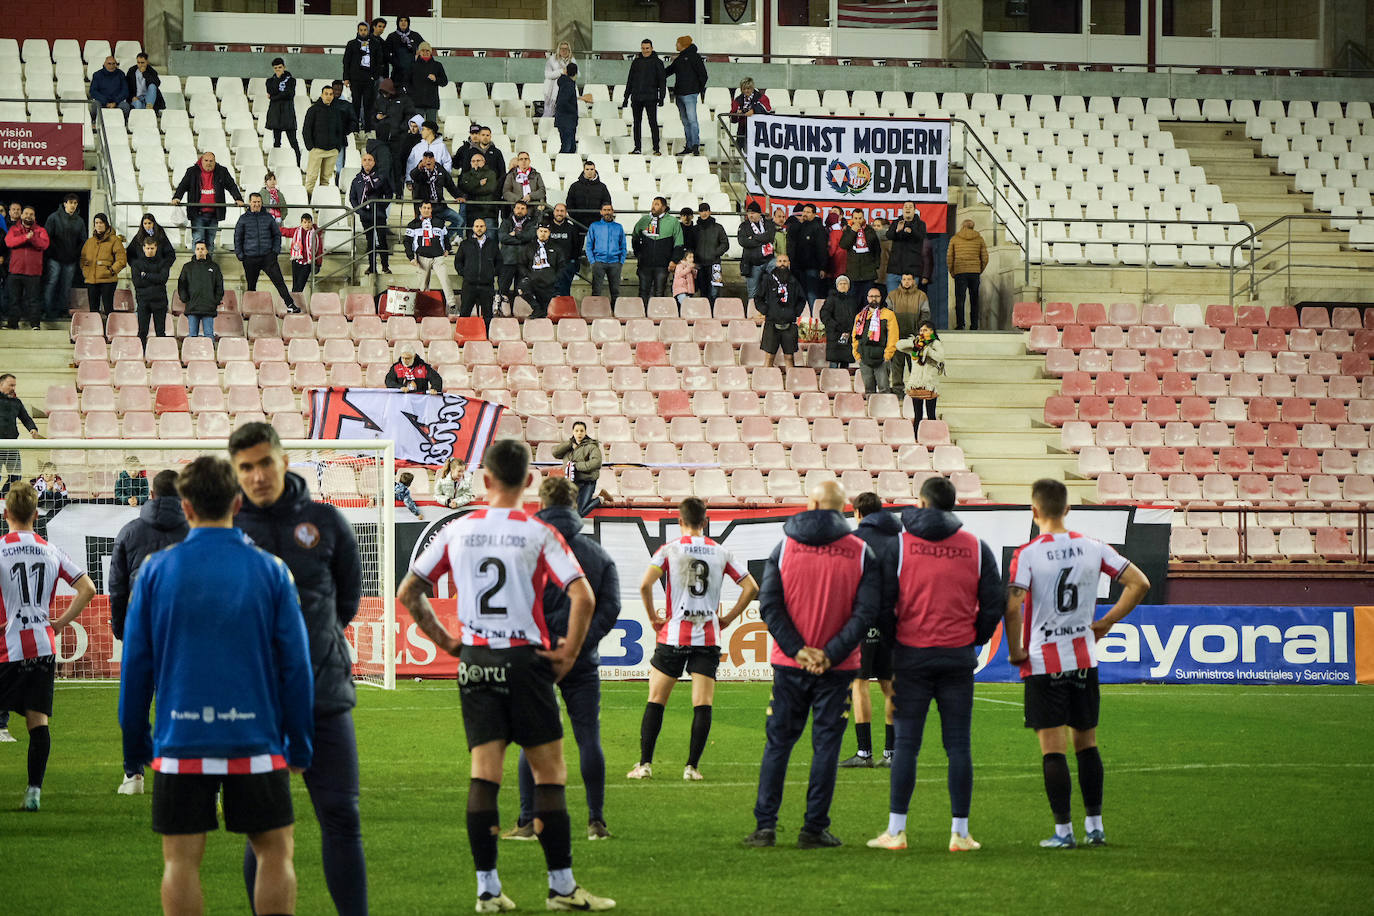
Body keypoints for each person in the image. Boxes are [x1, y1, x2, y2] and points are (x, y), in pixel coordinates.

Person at [397, 438, 614, 913]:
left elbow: (410, 591)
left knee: (484, 775)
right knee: (550, 772)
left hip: (476, 660)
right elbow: (584, 597)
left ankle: (488, 890)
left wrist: (449, 642)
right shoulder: (539, 533)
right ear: (530, 481)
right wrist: (569, 652)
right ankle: (561, 887)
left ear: (487, 480)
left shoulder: (457, 530)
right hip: (524, 660)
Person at [119, 457, 313, 916]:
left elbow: (136, 668)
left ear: (185, 507)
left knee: (180, 861)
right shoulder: (272, 571)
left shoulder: (153, 572)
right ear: (237, 502)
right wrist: (301, 743)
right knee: (274, 852)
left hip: (181, 737)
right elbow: (297, 668)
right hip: (256, 739)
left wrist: (136, 741)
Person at [230, 421, 370, 915]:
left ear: (284, 461)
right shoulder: (227, 530)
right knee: (262, 831)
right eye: (245, 467)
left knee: (341, 816)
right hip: (254, 702)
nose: (257, 475)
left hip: (323, 693)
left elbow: (347, 599)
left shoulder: (327, 521)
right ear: (235, 472)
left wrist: (314, 643)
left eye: (265, 462)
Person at [1004, 478, 1151, 849]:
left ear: (1034, 511)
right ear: (1067, 509)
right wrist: (1106, 621)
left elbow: (1012, 603)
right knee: (1087, 744)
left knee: (1053, 748)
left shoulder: (1028, 554)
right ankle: (1096, 827)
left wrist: (1016, 650)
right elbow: (1139, 583)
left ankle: (1063, 832)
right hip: (1084, 657)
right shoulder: (1093, 547)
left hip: (1043, 661)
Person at [865, 475, 1007, 853]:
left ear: (922, 503)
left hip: (911, 657)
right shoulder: (976, 548)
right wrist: (975, 636)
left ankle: (896, 831)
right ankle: (960, 833)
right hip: (958, 658)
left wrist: (896, 640)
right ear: (952, 505)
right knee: (958, 746)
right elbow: (994, 601)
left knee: (907, 745)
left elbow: (883, 603)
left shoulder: (900, 546)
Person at [745, 480, 881, 849]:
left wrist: (798, 650)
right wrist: (830, 653)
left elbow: (770, 605)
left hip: (789, 665)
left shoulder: (784, 547)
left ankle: (765, 827)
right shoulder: (861, 551)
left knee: (778, 745)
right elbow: (866, 611)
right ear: (842, 508)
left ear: (812, 502)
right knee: (827, 747)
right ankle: (814, 828)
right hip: (837, 669)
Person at [507, 476, 621, 841]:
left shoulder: (525, 551)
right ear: (575, 506)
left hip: (537, 655)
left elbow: (512, 603)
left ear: (540, 504)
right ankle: (596, 821)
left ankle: (528, 821)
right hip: (582, 659)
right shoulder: (598, 555)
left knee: (533, 738)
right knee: (589, 737)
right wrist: (579, 644)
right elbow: (610, 608)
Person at [628, 497, 759, 782]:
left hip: (674, 633)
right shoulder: (721, 552)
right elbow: (751, 587)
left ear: (680, 521)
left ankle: (645, 765)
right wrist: (730, 618)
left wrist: (652, 616)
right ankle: (691, 768)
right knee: (702, 704)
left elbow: (644, 584)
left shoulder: (670, 549)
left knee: (656, 700)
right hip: (708, 635)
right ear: (706, 521)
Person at [0, 482, 97, 811]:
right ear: (36, 514)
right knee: (37, 722)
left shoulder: (0, 548)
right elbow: (87, 587)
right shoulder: (51, 549)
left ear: (6, 513)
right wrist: (59, 623)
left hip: (8, 646)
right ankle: (33, 792)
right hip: (42, 644)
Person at [108, 467, 188, 795]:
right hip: (182, 633)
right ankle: (179, 769)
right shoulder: (194, 532)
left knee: (134, 703)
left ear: (151, 494)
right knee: (180, 702)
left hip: (141, 628)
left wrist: (120, 628)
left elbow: (117, 588)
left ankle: (134, 774)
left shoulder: (129, 532)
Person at [838, 491, 899, 769]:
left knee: (859, 683)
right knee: (891, 685)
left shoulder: (853, 541)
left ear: (858, 513)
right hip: (894, 619)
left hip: (863, 618)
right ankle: (893, 753)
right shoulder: (899, 539)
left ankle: (865, 753)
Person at [235, 193, 299, 313]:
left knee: (279, 282)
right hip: (250, 258)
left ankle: (290, 305)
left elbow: (277, 235)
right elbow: (237, 238)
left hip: (268, 258)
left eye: (259, 202)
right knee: (251, 286)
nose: (257, 204)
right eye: (254, 202)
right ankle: (249, 310)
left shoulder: (269, 217)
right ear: (250, 203)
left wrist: (275, 252)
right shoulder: (243, 219)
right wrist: (241, 255)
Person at [171, 151, 245, 251]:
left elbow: (231, 185)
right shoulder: (192, 171)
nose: (208, 163)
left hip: (215, 213)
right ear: (201, 161)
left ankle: (209, 265)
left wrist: (238, 198)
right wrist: (177, 197)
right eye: (206, 160)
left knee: (210, 241)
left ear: (215, 161)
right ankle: (197, 265)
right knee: (198, 240)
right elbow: (183, 185)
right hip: (197, 213)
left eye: (211, 161)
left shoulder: (222, 171)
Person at [895, 321, 945, 440]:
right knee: (918, 415)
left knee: (931, 414)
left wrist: (928, 350)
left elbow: (940, 357)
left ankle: (933, 438)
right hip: (916, 384)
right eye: (921, 330)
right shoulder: (916, 345)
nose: (923, 332)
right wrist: (915, 342)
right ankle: (917, 437)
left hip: (929, 385)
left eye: (926, 330)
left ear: (932, 331)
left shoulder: (935, 343)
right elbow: (899, 345)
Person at [886, 273, 932, 398]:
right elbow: (888, 315)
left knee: (915, 365)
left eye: (909, 279)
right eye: (904, 279)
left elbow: (926, 314)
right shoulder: (892, 295)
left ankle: (915, 389)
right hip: (897, 337)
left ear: (913, 281)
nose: (907, 282)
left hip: (914, 338)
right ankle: (897, 390)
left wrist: (920, 333)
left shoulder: (921, 296)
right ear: (901, 281)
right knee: (897, 365)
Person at [41, 194, 84, 323]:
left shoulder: (79, 221)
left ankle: (63, 310)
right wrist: (56, 253)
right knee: (52, 283)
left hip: (70, 259)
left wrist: (75, 254)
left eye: (75, 203)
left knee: (66, 285)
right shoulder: (54, 218)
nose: (73, 205)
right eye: (71, 202)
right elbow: (47, 238)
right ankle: (47, 310)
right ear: (64, 204)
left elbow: (82, 240)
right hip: (55, 258)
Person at [5, 205, 49, 329]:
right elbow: (9, 242)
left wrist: (32, 238)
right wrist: (25, 237)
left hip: (33, 272)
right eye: (26, 214)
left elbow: (44, 245)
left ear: (34, 217)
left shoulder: (41, 231)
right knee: (14, 300)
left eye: (31, 214)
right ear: (22, 215)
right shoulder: (14, 229)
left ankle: (35, 324)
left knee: (34, 300)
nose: (28, 216)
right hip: (16, 271)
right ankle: (12, 324)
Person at [405, 200, 455, 311]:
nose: (426, 210)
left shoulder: (439, 222)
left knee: (445, 280)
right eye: (424, 208)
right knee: (423, 285)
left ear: (431, 209)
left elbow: (446, 237)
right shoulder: (413, 224)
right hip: (422, 257)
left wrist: (447, 248)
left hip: (438, 257)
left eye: (429, 208)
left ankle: (452, 305)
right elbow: (407, 242)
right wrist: (411, 257)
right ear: (420, 209)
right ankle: (424, 308)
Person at [349, 151, 394, 275]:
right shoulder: (357, 179)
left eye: (370, 160)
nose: (367, 162)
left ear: (374, 162)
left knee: (382, 239)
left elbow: (389, 194)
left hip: (379, 214)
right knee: (370, 241)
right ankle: (372, 267)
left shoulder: (381, 177)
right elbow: (352, 197)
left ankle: (385, 266)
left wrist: (381, 206)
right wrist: (359, 210)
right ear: (362, 163)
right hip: (365, 215)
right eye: (365, 160)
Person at [632, 196, 682, 302]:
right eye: (653, 204)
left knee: (659, 293)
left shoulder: (673, 222)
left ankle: (657, 317)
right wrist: (639, 255)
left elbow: (679, 243)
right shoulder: (644, 220)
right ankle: (642, 316)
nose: (653, 206)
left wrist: (674, 260)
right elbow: (635, 238)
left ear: (664, 207)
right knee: (643, 292)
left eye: (657, 204)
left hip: (663, 265)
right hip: (645, 265)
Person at [758, 254, 804, 370]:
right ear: (776, 263)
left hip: (789, 323)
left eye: (785, 261)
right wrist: (766, 311)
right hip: (772, 323)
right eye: (780, 261)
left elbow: (801, 299)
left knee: (789, 357)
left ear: (789, 263)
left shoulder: (794, 280)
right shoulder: (768, 279)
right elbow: (758, 298)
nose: (782, 263)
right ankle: (765, 381)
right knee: (769, 357)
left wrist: (795, 313)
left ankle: (791, 383)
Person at [551, 420, 605, 517]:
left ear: (585, 432)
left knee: (579, 512)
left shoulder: (592, 446)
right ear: (573, 432)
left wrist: (576, 466)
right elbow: (555, 453)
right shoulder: (568, 447)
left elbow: (596, 463)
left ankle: (601, 498)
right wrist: (569, 443)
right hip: (573, 483)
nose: (579, 433)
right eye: (576, 431)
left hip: (587, 482)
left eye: (581, 431)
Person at [373, 78, 418, 193]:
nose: (384, 94)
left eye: (386, 92)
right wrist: (376, 119)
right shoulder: (380, 100)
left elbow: (411, 115)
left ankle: (399, 193)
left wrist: (401, 128)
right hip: (382, 139)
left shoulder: (404, 100)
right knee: (383, 167)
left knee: (397, 167)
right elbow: (372, 115)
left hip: (399, 140)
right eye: (382, 92)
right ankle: (384, 192)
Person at [0, 373, 43, 493]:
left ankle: (3, 497)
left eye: (14, 385)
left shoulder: (16, 402)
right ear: (1, 384)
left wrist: (33, 429)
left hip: (11, 446)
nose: (13, 388)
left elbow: (26, 418)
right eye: (10, 385)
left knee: (16, 478)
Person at [665, 36, 708, 156]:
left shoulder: (693, 57)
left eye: (677, 43)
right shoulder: (681, 58)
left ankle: (694, 145)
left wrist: (696, 90)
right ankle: (690, 145)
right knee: (687, 121)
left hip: (688, 94)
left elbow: (703, 76)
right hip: (681, 94)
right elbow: (668, 71)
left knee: (691, 120)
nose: (676, 45)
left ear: (683, 44)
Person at [852, 287, 899, 395]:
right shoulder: (860, 316)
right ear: (867, 298)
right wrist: (857, 355)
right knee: (869, 391)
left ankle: (885, 411)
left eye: (876, 296)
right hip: (864, 359)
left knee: (884, 390)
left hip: (881, 359)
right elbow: (855, 337)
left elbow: (893, 337)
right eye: (871, 296)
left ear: (881, 298)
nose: (874, 299)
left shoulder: (889, 314)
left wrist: (887, 356)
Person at [623, 39, 666, 155]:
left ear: (652, 48)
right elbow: (630, 80)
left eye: (647, 48)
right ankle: (637, 147)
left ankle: (656, 148)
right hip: (636, 97)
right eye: (643, 48)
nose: (645, 51)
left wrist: (662, 97)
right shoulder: (636, 62)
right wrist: (626, 97)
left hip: (651, 98)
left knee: (653, 122)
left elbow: (662, 81)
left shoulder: (658, 62)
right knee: (636, 123)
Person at [455, 216, 500, 328]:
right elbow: (458, 262)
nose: (479, 228)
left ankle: (487, 337)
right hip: (469, 285)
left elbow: (499, 262)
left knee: (488, 316)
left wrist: (492, 273)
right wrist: (465, 273)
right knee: (464, 313)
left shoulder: (492, 244)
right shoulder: (465, 244)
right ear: (473, 228)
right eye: (477, 226)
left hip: (487, 285)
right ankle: (463, 336)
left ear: (485, 228)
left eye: (481, 226)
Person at [78, 213, 124, 318]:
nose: (98, 225)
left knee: (108, 309)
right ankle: (95, 331)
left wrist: (111, 271)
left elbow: (121, 260)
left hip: (108, 280)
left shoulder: (115, 240)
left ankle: (110, 331)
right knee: (93, 310)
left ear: (106, 224)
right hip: (91, 280)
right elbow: (83, 259)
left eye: (101, 223)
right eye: (96, 223)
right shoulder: (89, 242)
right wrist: (86, 271)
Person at [129, 236, 172, 346]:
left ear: (156, 248)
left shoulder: (163, 263)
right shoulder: (136, 264)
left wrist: (146, 275)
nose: (150, 251)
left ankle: (160, 355)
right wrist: (154, 280)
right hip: (143, 302)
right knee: (142, 332)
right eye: (147, 248)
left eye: (152, 248)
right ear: (143, 248)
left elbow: (162, 279)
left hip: (160, 302)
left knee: (160, 332)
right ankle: (141, 354)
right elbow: (137, 283)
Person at [409, 153, 463, 241]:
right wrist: (419, 168)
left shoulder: (440, 169)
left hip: (440, 206)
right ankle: (437, 244)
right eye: (426, 158)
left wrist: (459, 196)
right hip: (426, 209)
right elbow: (413, 175)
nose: (428, 160)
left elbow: (450, 184)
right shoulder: (419, 170)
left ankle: (444, 240)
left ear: (434, 159)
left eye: (430, 158)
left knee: (459, 220)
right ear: (423, 160)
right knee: (430, 230)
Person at [947, 218, 989, 331]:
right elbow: (985, 257)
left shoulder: (955, 238)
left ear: (962, 226)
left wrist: (952, 271)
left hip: (960, 272)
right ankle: (974, 325)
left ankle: (960, 324)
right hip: (974, 272)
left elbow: (950, 257)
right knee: (974, 299)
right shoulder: (979, 239)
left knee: (960, 300)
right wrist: (979, 269)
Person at [176, 241, 224, 339]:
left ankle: (210, 354)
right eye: (198, 249)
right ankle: (192, 354)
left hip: (209, 307)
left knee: (209, 335)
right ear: (195, 251)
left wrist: (215, 300)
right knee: (192, 335)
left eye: (202, 249)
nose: (200, 251)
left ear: (207, 251)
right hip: (192, 306)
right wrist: (185, 299)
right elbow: (182, 284)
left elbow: (219, 285)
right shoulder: (187, 267)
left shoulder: (214, 267)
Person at [303, 84, 345, 194]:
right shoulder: (313, 110)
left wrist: (337, 147)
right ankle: (308, 202)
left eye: (331, 94)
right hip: (317, 150)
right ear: (321, 95)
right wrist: (311, 147)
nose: (328, 96)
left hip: (332, 151)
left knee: (326, 180)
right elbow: (306, 129)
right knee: (311, 178)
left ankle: (321, 202)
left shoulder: (336, 111)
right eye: (326, 94)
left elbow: (340, 130)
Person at [563, 160, 611, 257]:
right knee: (575, 249)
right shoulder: (575, 186)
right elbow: (569, 203)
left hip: (596, 222)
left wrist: (600, 218)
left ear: (595, 170)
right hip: (578, 222)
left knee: (597, 250)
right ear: (584, 170)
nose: (589, 171)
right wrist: (575, 217)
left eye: (592, 169)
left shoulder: (602, 187)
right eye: (587, 169)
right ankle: (575, 266)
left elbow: (607, 203)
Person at [343, 21, 385, 128]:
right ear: (357, 31)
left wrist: (374, 76)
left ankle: (368, 128)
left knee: (368, 104)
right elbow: (346, 61)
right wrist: (346, 78)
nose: (363, 32)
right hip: (355, 79)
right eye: (360, 30)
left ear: (368, 30)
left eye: (365, 30)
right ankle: (355, 128)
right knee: (356, 104)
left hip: (368, 79)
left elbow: (379, 61)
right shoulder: (351, 44)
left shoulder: (375, 43)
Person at [498, 200, 539, 309]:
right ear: (514, 209)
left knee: (521, 290)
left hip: (523, 262)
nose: (519, 211)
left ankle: (517, 312)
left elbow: (529, 236)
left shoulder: (531, 223)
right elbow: (502, 238)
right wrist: (521, 240)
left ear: (526, 211)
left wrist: (515, 234)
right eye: (518, 208)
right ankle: (501, 311)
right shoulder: (506, 222)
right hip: (507, 260)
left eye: (522, 208)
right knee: (503, 289)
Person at [520, 223, 564, 320]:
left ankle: (540, 318)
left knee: (544, 313)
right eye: (541, 231)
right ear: (537, 232)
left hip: (549, 282)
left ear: (549, 233)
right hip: (533, 279)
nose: (543, 234)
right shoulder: (529, 247)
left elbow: (562, 265)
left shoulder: (556, 248)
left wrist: (555, 278)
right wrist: (528, 275)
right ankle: (536, 308)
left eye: (545, 231)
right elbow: (521, 264)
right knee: (521, 288)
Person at [585, 204, 626, 302]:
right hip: (598, 262)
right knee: (596, 291)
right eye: (605, 210)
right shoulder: (594, 226)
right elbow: (589, 245)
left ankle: (615, 313)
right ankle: (595, 313)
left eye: (609, 210)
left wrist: (621, 261)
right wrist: (592, 261)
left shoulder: (618, 227)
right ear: (601, 212)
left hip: (615, 263)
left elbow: (623, 245)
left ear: (613, 212)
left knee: (615, 291)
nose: (607, 212)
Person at [738, 201, 776, 305]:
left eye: (753, 213)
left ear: (759, 213)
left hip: (768, 260)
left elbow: (770, 237)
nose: (750, 215)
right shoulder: (744, 226)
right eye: (749, 213)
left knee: (777, 266)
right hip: (752, 263)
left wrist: (753, 237)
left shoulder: (768, 224)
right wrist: (762, 240)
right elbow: (743, 242)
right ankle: (752, 313)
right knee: (752, 292)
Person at [691, 203, 728, 311]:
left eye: (706, 210)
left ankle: (714, 313)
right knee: (703, 291)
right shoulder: (695, 229)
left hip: (714, 264)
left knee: (715, 292)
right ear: (699, 213)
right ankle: (704, 314)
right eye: (702, 211)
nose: (704, 213)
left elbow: (725, 244)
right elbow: (691, 246)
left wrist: (715, 253)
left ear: (710, 212)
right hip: (700, 265)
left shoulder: (718, 227)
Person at [265, 58, 301, 168]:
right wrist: (278, 94)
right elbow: (272, 91)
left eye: (280, 67)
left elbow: (289, 94)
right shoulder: (270, 81)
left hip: (287, 113)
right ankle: (276, 163)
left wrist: (275, 96)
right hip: (276, 114)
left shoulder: (291, 80)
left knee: (293, 141)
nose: (278, 70)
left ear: (284, 67)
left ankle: (298, 164)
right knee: (276, 141)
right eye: (275, 68)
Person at [886, 202, 927, 293]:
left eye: (910, 207)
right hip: (894, 270)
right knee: (892, 302)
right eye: (905, 207)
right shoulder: (896, 222)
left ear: (914, 210)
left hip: (912, 271)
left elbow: (921, 237)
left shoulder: (920, 224)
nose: (907, 209)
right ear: (903, 210)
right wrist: (897, 230)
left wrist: (911, 230)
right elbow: (888, 235)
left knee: (910, 303)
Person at [839, 211, 881, 302]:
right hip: (853, 274)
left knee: (868, 301)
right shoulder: (848, 230)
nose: (858, 221)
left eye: (860, 218)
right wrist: (853, 232)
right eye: (856, 218)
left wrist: (876, 265)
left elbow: (877, 249)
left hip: (868, 274)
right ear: (852, 219)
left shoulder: (870, 230)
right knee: (853, 301)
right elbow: (843, 245)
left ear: (863, 218)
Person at [552, 62, 592, 154]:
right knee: (567, 146)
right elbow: (562, 102)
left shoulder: (565, 83)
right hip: (567, 120)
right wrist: (573, 111)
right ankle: (561, 164)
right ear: (576, 73)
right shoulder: (568, 85)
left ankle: (567, 165)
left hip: (565, 120)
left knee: (571, 147)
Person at [819, 275, 858, 369]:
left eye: (845, 284)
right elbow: (824, 315)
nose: (843, 285)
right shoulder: (831, 299)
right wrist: (835, 326)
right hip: (834, 335)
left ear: (849, 286)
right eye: (841, 284)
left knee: (845, 362)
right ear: (837, 286)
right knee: (834, 362)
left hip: (848, 335)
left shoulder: (853, 300)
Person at [281, 212, 324, 293]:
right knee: (295, 286)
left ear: (312, 222)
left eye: (309, 222)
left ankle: (296, 302)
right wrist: (273, 228)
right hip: (296, 261)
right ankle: (294, 303)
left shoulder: (316, 234)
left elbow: (319, 250)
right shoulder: (297, 231)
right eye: (305, 222)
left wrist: (318, 263)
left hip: (308, 262)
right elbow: (286, 231)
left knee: (300, 286)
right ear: (301, 223)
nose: (307, 224)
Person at [458, 151, 500, 234]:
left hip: (487, 211)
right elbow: (464, 188)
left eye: (478, 161)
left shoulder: (491, 173)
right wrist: (479, 183)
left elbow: (489, 189)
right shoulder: (466, 175)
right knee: (471, 240)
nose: (475, 163)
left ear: (484, 162)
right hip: (471, 212)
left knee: (491, 238)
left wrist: (471, 188)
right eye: (473, 161)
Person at [407, 42, 447, 124]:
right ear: (419, 52)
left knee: (431, 128)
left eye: (427, 51)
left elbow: (444, 82)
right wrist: (412, 95)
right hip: (417, 103)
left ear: (431, 51)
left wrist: (436, 79)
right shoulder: (413, 66)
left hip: (432, 103)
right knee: (417, 127)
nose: (425, 53)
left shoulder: (437, 65)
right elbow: (407, 82)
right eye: (423, 50)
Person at [544, 203, 578, 297]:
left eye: (562, 211)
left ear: (566, 213)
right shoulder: (546, 228)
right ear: (554, 212)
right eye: (557, 211)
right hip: (549, 264)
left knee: (564, 290)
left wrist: (572, 262)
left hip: (565, 265)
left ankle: (564, 308)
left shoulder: (572, 228)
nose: (559, 213)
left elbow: (576, 247)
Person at [728, 77, 771, 148]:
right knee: (742, 153)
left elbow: (767, 109)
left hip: (758, 130)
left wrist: (754, 110)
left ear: (752, 88)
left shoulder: (761, 98)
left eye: (748, 88)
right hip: (742, 130)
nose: (746, 91)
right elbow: (733, 119)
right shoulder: (737, 100)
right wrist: (736, 113)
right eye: (744, 89)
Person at [331, 79, 359, 186]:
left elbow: (353, 121)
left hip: (340, 139)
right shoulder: (326, 103)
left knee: (339, 165)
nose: (337, 91)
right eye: (335, 89)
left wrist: (345, 131)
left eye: (339, 89)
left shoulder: (346, 105)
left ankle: (337, 184)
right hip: (326, 139)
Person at [385, 16, 424, 90]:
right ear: (397, 23)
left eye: (405, 20)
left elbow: (424, 48)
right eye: (401, 20)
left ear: (408, 23)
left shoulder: (415, 35)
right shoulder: (392, 36)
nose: (403, 22)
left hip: (413, 72)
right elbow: (386, 53)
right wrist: (395, 63)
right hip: (397, 72)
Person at [543, 41, 576, 120]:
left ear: (569, 50)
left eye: (566, 49)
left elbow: (575, 74)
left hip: (567, 89)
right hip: (551, 89)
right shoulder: (552, 59)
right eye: (562, 49)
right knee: (549, 113)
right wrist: (561, 72)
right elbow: (547, 74)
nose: (564, 51)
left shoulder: (572, 60)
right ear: (558, 49)